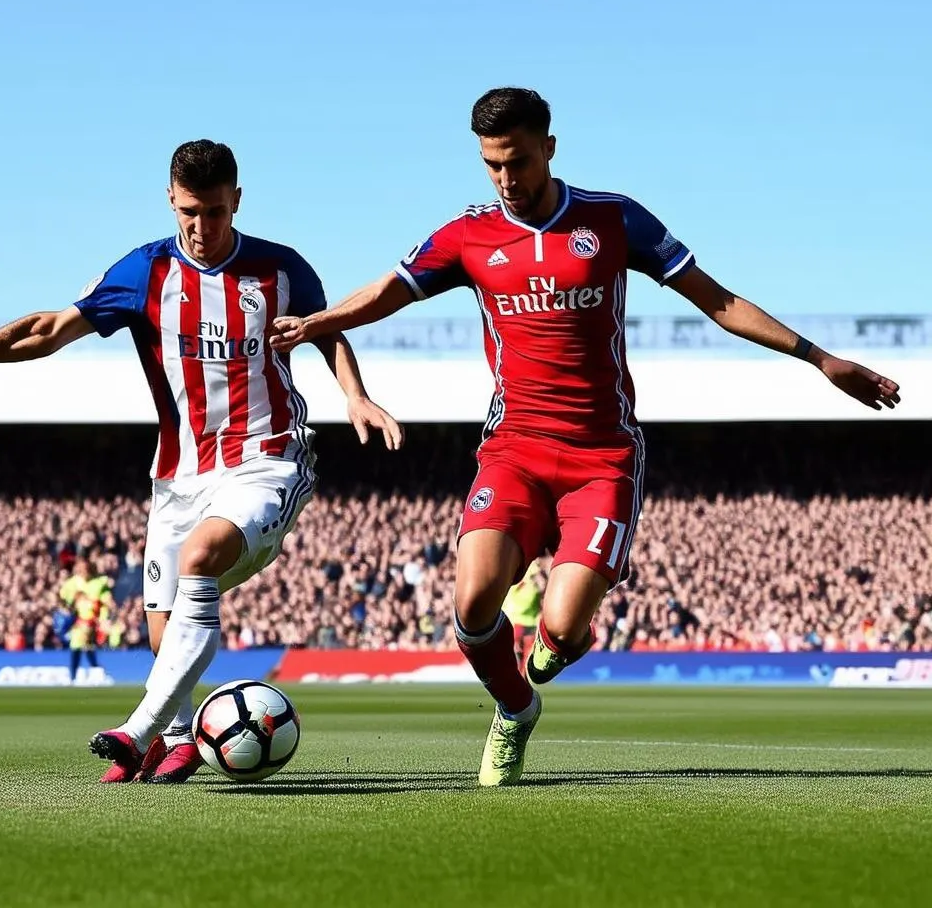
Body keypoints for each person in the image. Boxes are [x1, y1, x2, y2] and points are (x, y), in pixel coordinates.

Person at [271, 87, 902, 786]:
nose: (507, 179)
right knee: (472, 602)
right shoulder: (468, 236)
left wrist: (820, 358)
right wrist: (319, 324)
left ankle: (556, 643)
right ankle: (515, 710)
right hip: (513, 449)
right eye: (491, 165)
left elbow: (717, 301)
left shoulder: (612, 219)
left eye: (517, 161)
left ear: (549, 146)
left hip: (602, 458)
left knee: (564, 634)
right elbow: (388, 290)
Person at [0, 139, 403, 784]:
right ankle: (175, 740)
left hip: (268, 455)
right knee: (160, 625)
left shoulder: (278, 270)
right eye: (189, 213)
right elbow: (48, 330)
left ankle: (135, 728)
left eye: (216, 213)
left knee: (198, 559)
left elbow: (326, 327)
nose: (201, 229)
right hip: (177, 474)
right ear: (172, 200)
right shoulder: (144, 273)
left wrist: (356, 396)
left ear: (237, 200)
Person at [59, 557, 113, 682]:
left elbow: (107, 601)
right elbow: (63, 598)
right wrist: (67, 608)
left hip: (94, 622)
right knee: (78, 646)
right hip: (79, 621)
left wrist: (104, 618)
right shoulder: (72, 583)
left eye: (86, 568)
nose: (84, 571)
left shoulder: (98, 584)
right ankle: (76, 676)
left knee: (86, 646)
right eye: (81, 569)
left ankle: (95, 673)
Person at [501, 556, 547, 677]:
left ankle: (523, 682)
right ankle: (515, 680)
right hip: (517, 621)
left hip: (530, 622)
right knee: (517, 654)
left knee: (526, 656)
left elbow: (542, 591)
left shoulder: (535, 585)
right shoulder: (523, 578)